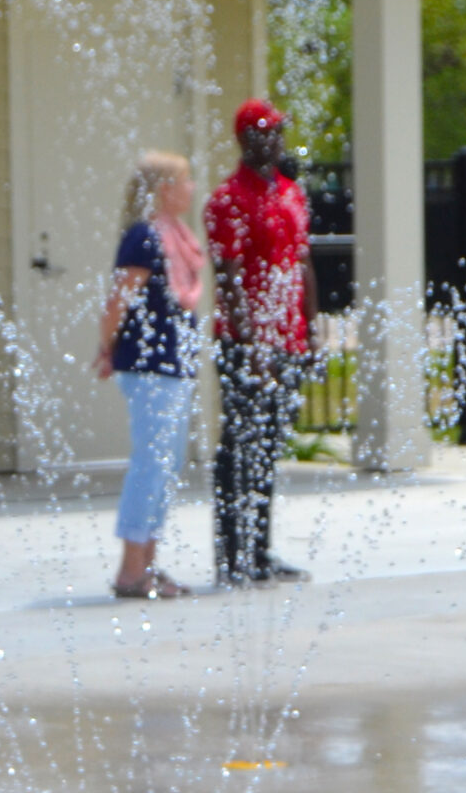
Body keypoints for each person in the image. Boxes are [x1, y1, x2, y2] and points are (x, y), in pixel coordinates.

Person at [203, 99, 317, 586]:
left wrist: (312, 331)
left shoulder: (291, 193)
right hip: (243, 343)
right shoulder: (227, 200)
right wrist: (252, 346)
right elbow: (228, 279)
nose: (275, 140)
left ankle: (259, 550)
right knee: (238, 447)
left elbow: (303, 264)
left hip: (287, 339)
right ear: (245, 139)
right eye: (265, 131)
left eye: (278, 131)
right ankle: (232, 555)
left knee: (269, 446)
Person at [94, 151, 203, 600]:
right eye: (185, 180)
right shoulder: (143, 237)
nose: (192, 188)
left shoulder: (175, 236)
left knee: (167, 466)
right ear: (163, 189)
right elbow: (118, 301)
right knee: (151, 465)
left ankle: (149, 566)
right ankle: (130, 571)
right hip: (149, 368)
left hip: (173, 367)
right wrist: (106, 347)